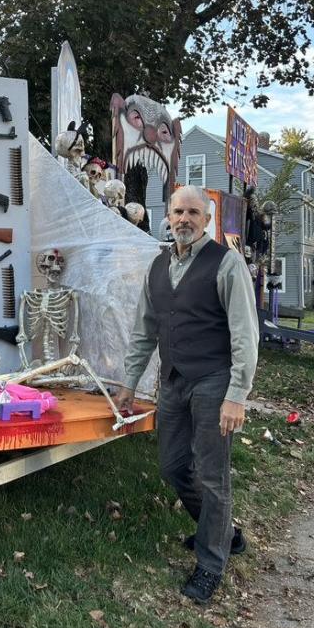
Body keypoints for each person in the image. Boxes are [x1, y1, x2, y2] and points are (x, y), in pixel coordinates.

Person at [116, 185, 259, 604]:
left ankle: (210, 563)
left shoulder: (226, 264)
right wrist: (129, 383)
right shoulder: (157, 265)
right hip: (174, 380)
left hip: (214, 379)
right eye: (178, 211)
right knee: (174, 467)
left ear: (207, 219)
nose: (184, 219)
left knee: (213, 476)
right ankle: (224, 533)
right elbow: (144, 330)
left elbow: (245, 336)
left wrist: (237, 395)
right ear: (168, 215)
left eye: (193, 212)